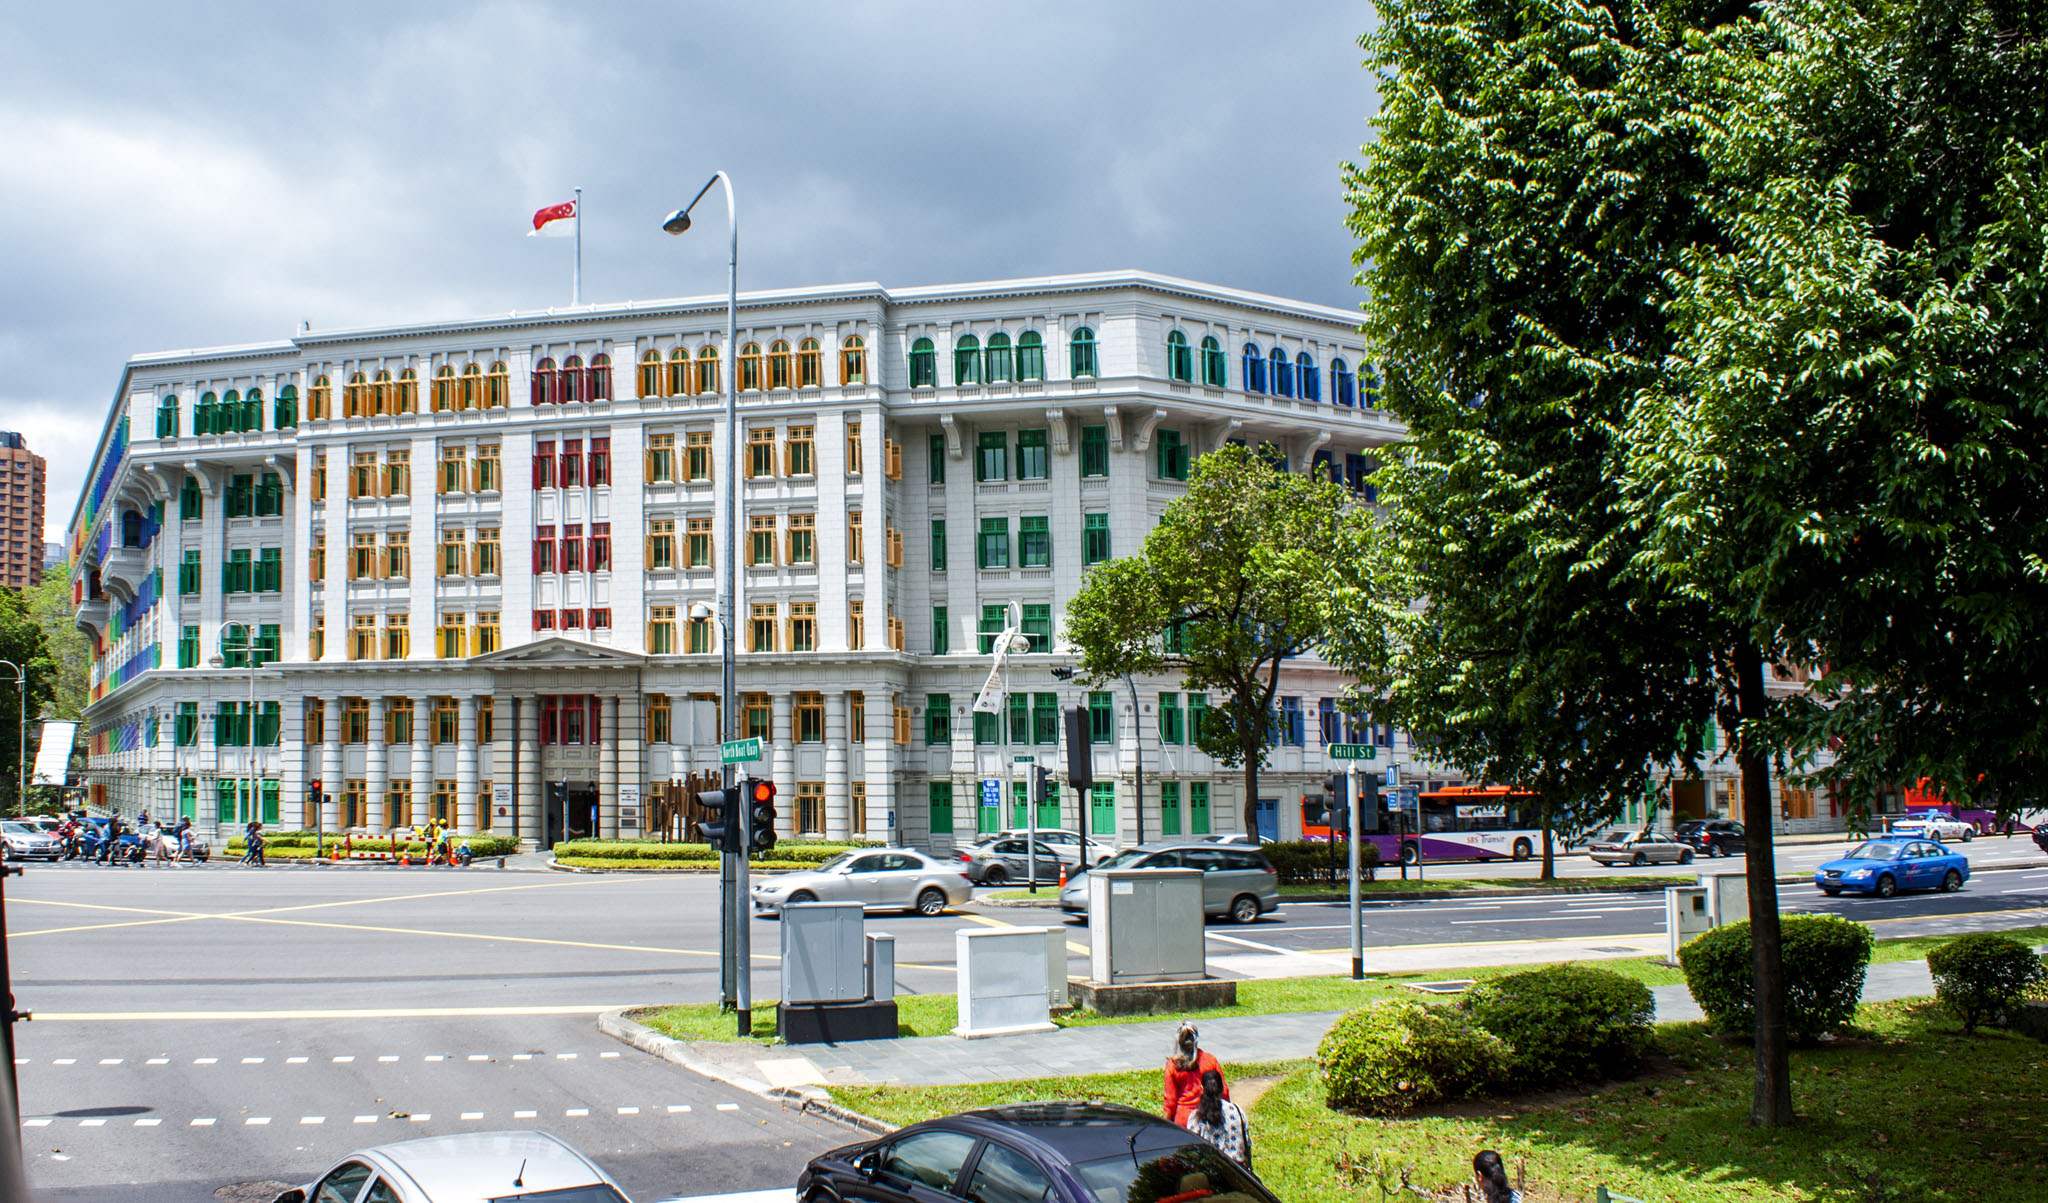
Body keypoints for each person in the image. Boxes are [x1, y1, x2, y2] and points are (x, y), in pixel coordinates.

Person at [1183, 1068, 1251, 1170]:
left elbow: (1192, 1152)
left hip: (1212, 1173)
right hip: (1239, 1172)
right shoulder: (1237, 1111)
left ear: (1202, 1089)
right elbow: (1247, 1144)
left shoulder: (1196, 1117)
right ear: (1222, 1089)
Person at [1163, 1022, 1226, 1126]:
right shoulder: (1210, 1060)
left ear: (1179, 1041)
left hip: (1183, 1122)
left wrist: (1164, 1126)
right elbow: (1223, 1091)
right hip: (1209, 1117)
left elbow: (1170, 1102)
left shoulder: (1173, 1065)